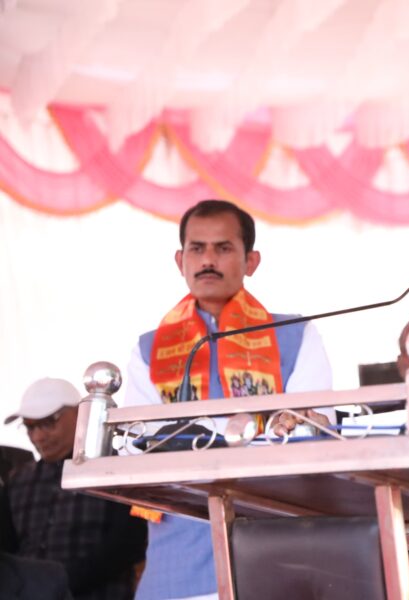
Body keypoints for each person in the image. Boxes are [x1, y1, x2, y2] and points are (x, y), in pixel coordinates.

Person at [121, 199, 332, 600]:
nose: (208, 261)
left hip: (271, 548)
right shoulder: (149, 349)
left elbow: (318, 434)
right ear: (180, 260)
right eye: (197, 249)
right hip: (178, 559)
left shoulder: (295, 335)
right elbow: (139, 447)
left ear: (251, 261)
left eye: (223, 248)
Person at [4, 378, 147, 600]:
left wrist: (58, 581)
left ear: (80, 414)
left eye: (48, 422)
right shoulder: (17, 481)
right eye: (30, 427)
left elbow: (128, 544)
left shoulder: (112, 470)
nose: (38, 436)